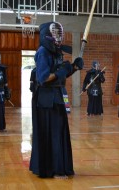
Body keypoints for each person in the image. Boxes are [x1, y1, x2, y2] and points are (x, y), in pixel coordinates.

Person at [29, 22, 84, 178]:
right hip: (46, 100)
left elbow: (61, 76)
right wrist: (63, 70)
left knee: (59, 132)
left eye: (60, 33)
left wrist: (73, 67)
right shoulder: (43, 52)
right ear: (48, 34)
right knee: (51, 133)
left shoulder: (56, 53)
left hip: (58, 96)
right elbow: (44, 78)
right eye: (55, 33)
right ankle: (51, 169)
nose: (58, 36)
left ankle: (60, 166)